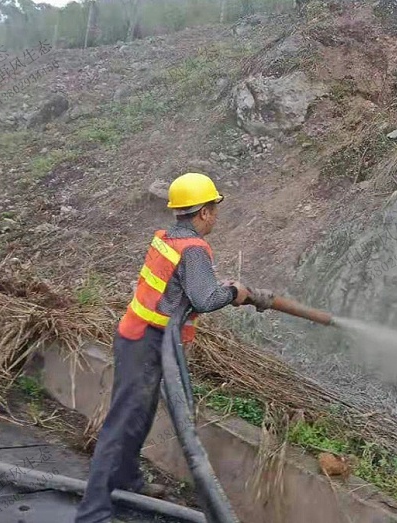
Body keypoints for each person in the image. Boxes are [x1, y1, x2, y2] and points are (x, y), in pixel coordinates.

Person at [74, 172, 274, 523]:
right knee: (122, 424)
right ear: (204, 213)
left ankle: (127, 480)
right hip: (147, 342)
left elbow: (179, 288)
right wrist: (232, 293)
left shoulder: (168, 238)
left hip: (139, 336)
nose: (215, 215)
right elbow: (204, 298)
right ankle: (93, 513)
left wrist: (222, 285)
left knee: (140, 416)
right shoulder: (195, 248)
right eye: (214, 208)